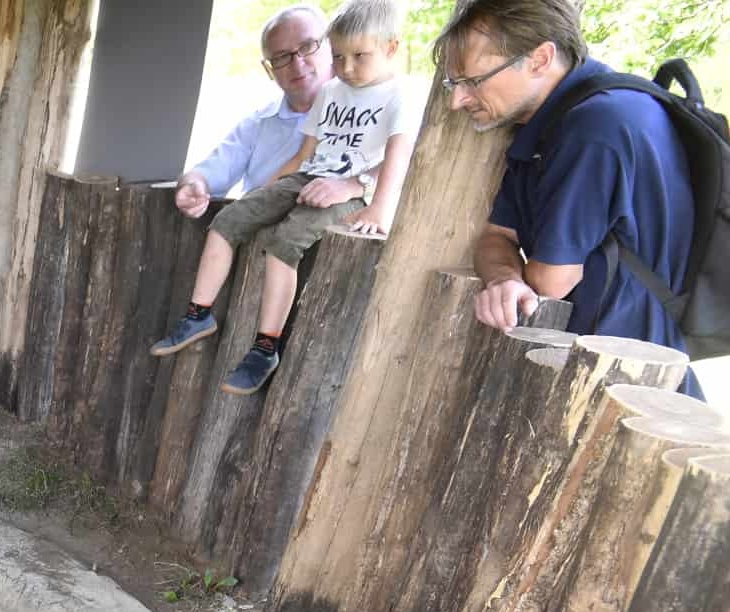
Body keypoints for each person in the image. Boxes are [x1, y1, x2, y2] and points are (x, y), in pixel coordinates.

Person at [438, 0, 705, 399]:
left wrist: (510, 282)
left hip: (624, 380)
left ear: (540, 58)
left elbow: (552, 280)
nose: (456, 101)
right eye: (452, 83)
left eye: (473, 81)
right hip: (605, 360)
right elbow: (497, 236)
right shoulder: (554, 121)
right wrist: (505, 279)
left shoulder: (595, 126)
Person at [153, 0, 418, 395]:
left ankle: (264, 347)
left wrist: (367, 196)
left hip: (341, 211)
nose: (345, 67)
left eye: (309, 48)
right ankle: (197, 315)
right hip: (302, 187)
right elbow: (299, 158)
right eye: (282, 57)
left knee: (284, 243)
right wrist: (251, 194)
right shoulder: (325, 96)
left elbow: (402, 159)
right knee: (228, 220)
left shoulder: (398, 96)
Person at [174, 4, 336, 218]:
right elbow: (205, 174)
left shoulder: (364, 114)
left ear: (332, 46)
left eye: (307, 46)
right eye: (281, 57)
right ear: (269, 69)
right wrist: (192, 186)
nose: (297, 63)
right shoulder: (258, 124)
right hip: (255, 239)